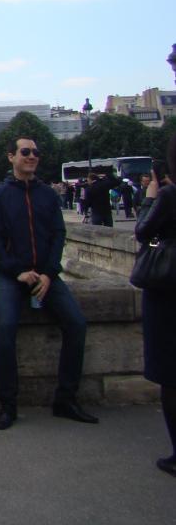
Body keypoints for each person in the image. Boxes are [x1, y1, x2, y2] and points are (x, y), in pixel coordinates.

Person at [0, 137, 98, 430]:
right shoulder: (0, 196)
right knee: (6, 329)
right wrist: (17, 271)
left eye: (35, 152)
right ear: (11, 157)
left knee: (76, 324)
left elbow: (58, 235)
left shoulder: (47, 194)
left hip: (45, 275)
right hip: (10, 276)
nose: (32, 156)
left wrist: (48, 273)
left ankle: (65, 399)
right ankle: (8, 404)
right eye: (25, 152)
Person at [134, 137, 176, 478]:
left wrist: (150, 198)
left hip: (168, 291)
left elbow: (143, 232)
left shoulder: (170, 196)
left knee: (170, 375)